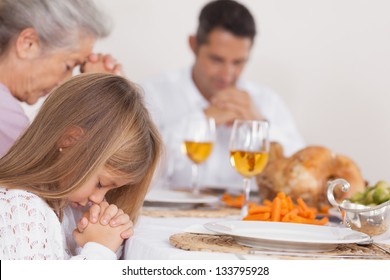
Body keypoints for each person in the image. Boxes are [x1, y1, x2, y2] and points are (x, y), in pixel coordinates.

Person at [141, 0, 305, 190]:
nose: (227, 75)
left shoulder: (267, 101)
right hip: (167, 217)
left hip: (245, 218)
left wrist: (260, 124)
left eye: (238, 62)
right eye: (216, 60)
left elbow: (301, 172)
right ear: (193, 45)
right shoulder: (153, 93)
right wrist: (202, 120)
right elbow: (138, 172)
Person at [0, 73, 162, 259]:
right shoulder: (20, 209)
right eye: (100, 184)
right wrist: (99, 250)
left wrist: (105, 236)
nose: (98, 199)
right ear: (70, 140)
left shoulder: (70, 211)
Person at [0, 0, 122, 157]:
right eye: (68, 66)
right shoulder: (5, 115)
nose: (63, 82)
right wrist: (99, 96)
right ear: (28, 43)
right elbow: (46, 175)